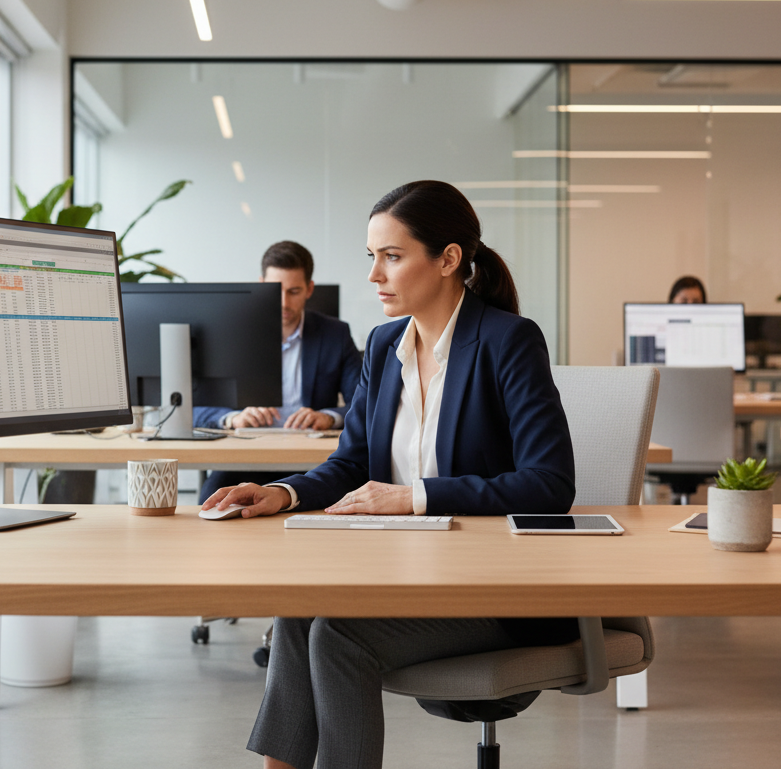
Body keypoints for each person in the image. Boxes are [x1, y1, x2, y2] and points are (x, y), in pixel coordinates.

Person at [201, 180, 579, 769]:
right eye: (371, 257)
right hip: (406, 572)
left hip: (496, 591)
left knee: (338, 634)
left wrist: (415, 497)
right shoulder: (383, 347)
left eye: (392, 256)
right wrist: (282, 492)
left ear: (449, 259)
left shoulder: (508, 342)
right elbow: (352, 464)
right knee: (296, 609)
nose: (375, 275)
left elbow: (550, 484)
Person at [193, 240, 362, 503]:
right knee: (211, 500)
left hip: (309, 461)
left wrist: (327, 417)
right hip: (245, 459)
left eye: (294, 291)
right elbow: (192, 408)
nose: (284, 302)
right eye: (276, 290)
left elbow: (363, 404)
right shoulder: (233, 333)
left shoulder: (335, 334)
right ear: (262, 285)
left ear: (309, 289)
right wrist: (233, 418)